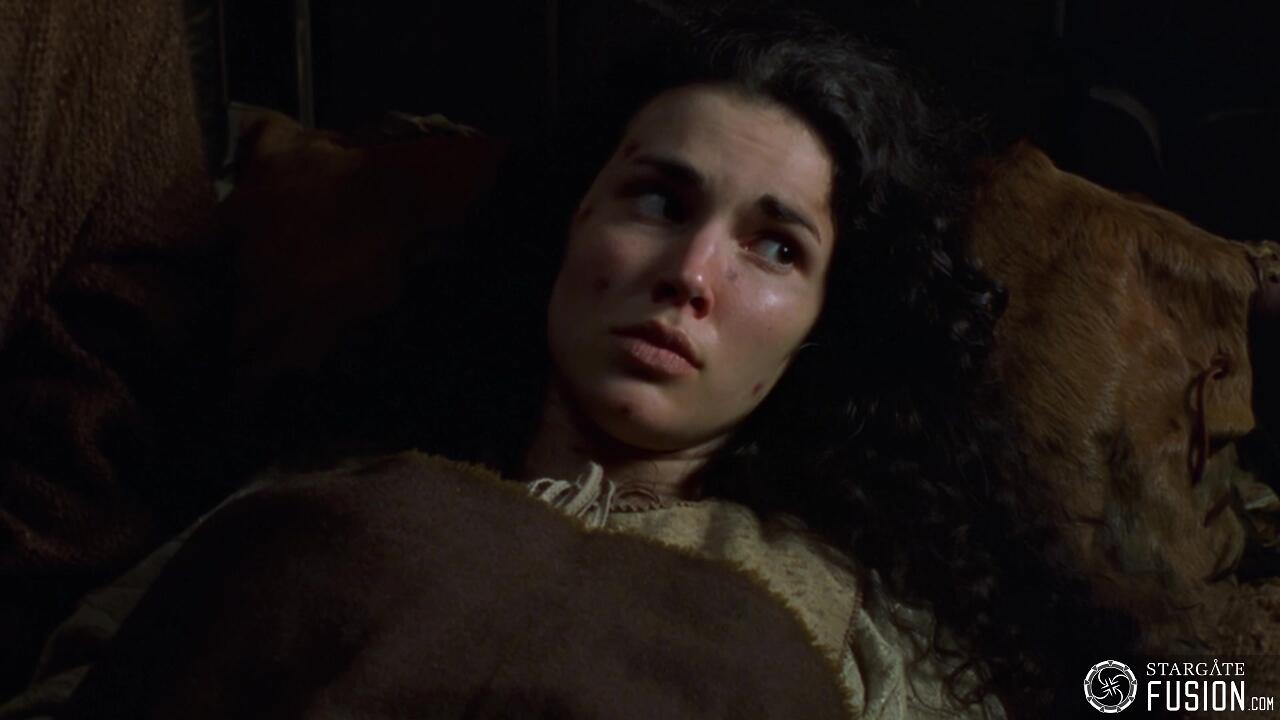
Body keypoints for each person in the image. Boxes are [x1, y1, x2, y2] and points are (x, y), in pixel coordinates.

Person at [4, 6, 1135, 719]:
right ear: (572, 220)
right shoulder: (313, 490)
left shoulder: (865, 627)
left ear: (821, 325)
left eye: (775, 246)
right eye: (659, 201)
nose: (690, 272)